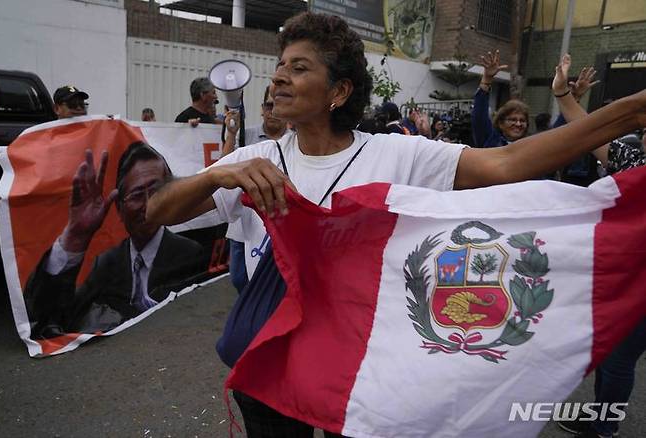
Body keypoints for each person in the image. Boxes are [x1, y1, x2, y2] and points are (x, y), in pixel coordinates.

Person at [146, 12, 646, 437]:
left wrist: (631, 112)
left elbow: (507, 164)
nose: (277, 78)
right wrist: (218, 175)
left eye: (298, 68)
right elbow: (157, 213)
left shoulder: (398, 154)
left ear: (338, 90)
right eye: (279, 67)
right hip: (274, 365)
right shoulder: (254, 158)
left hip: (367, 370)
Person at [24, 142, 206, 339]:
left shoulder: (190, 253)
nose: (149, 205)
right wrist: (75, 237)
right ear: (119, 209)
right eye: (137, 195)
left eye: (156, 193)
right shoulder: (107, 263)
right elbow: (51, 316)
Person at [552, 55, 645, 438]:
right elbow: (585, 129)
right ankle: (600, 419)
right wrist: (561, 92)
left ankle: (604, 429)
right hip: (623, 279)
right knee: (609, 353)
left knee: (620, 358)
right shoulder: (632, 160)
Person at [228, 86, 289, 293]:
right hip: (244, 221)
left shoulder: (295, 140)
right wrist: (230, 135)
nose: (272, 111)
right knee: (239, 277)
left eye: (275, 106)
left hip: (279, 221)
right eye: (268, 106)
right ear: (262, 109)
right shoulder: (246, 133)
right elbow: (224, 165)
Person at [471, 50, 530, 147]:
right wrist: (486, 79)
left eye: (522, 121)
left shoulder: (532, 147)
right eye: (513, 120)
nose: (518, 124)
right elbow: (479, 116)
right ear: (501, 123)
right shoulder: (490, 140)